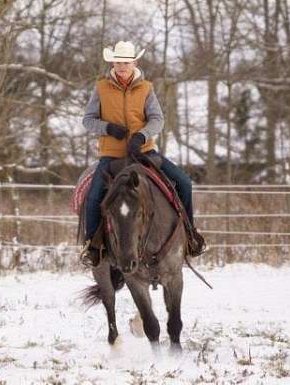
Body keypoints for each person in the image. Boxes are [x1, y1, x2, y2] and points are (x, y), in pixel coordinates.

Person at [81, 41, 205, 266]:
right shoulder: (101, 88)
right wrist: (107, 128)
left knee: (184, 182)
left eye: (126, 62)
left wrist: (142, 136)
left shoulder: (146, 88)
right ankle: (92, 246)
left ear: (134, 62)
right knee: (93, 196)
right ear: (113, 62)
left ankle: (190, 235)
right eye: (118, 62)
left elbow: (158, 119)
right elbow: (88, 120)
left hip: (144, 152)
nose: (122, 66)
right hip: (112, 155)